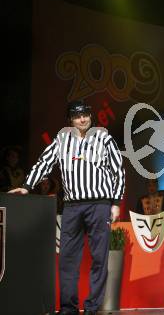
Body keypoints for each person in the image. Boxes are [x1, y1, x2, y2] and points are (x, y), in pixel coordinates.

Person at [9, 100, 125, 315]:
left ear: (91, 116)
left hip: (99, 204)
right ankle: (68, 308)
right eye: (77, 115)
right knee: (67, 259)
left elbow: (118, 170)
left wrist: (116, 203)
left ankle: (92, 307)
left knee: (100, 258)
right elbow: (45, 162)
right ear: (70, 119)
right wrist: (26, 186)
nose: (83, 118)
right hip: (72, 207)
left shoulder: (104, 137)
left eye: (86, 114)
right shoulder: (62, 139)